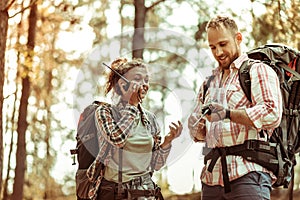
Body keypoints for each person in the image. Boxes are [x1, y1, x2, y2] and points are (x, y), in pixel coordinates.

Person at [188, 15, 282, 200]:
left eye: (223, 44)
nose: (218, 52)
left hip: (248, 175)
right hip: (211, 180)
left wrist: (227, 114)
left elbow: (272, 113)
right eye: (213, 47)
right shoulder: (209, 82)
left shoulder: (257, 71)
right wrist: (196, 128)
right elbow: (201, 134)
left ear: (238, 38)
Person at [88, 58, 182, 200]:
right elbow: (117, 139)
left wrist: (168, 142)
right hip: (115, 192)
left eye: (146, 80)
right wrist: (131, 106)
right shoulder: (104, 112)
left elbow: (155, 165)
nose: (144, 85)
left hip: (145, 191)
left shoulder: (150, 119)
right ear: (122, 84)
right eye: (138, 79)